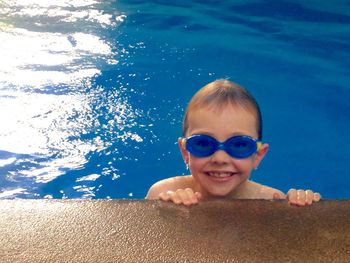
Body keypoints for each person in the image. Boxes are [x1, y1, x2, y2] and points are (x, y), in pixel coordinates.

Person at [146, 79, 321, 206]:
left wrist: (300, 206)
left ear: (258, 155)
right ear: (185, 152)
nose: (220, 158)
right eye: (203, 144)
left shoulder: (271, 200)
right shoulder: (162, 193)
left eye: (239, 145)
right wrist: (166, 213)